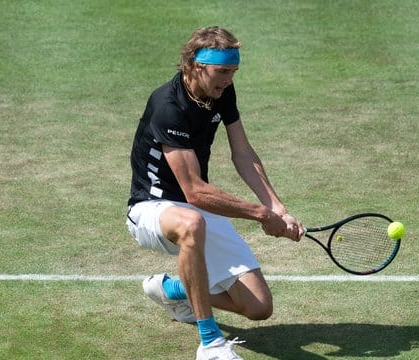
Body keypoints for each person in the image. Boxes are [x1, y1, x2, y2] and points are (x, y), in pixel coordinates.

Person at [126, 26, 303, 359]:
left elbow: (243, 153)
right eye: (222, 71)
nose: (228, 79)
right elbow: (193, 191)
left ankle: (172, 289)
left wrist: (276, 207)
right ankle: (211, 344)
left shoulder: (222, 93)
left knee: (258, 307)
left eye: (233, 71)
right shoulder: (168, 105)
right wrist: (260, 214)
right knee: (191, 223)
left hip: (198, 210)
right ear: (195, 65)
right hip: (151, 208)